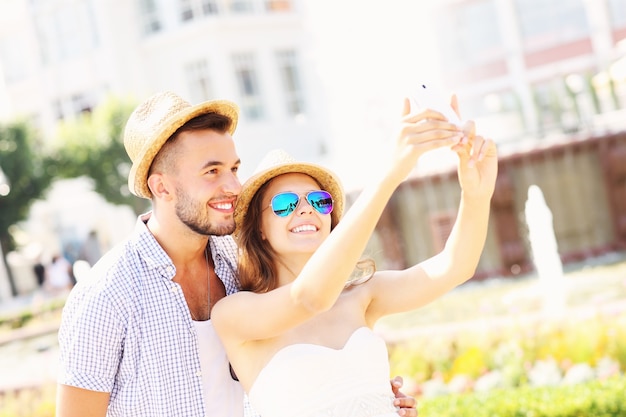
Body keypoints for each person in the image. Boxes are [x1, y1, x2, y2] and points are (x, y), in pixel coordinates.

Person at [55, 91, 419, 417]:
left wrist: (361, 396)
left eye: (233, 168)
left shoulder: (242, 257)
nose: (233, 186)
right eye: (212, 172)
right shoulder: (105, 296)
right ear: (161, 186)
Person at [211, 98, 498, 417]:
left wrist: (476, 195)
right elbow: (308, 298)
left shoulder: (362, 295)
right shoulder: (235, 314)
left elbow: (454, 267)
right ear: (260, 227)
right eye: (285, 203)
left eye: (319, 201)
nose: (306, 209)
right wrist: (390, 173)